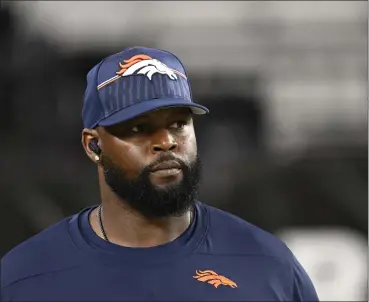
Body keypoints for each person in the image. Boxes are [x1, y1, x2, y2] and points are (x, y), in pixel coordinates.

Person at [1, 47, 319, 301]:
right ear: (93, 145)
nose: (166, 142)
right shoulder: (26, 277)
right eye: (140, 129)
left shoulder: (267, 263)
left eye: (178, 124)